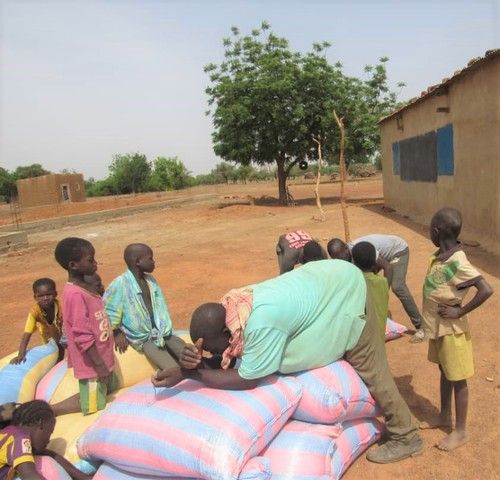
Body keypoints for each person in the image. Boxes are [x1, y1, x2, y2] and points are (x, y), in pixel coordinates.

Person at [152, 259, 423, 463]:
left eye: (214, 349)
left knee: (369, 366)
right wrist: (190, 365)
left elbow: (248, 378)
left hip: (346, 290)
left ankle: (406, 435)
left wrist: (191, 375)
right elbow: (227, 356)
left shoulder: (261, 323)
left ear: (226, 331)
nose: (216, 354)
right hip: (326, 280)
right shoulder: (234, 306)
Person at [419, 208, 493, 451]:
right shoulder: (441, 256)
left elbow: (486, 289)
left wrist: (459, 311)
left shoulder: (458, 261)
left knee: (458, 378)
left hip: (453, 331)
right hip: (439, 328)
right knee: (445, 370)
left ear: (437, 231)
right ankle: (444, 415)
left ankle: (461, 431)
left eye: (430, 229)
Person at [52, 238, 116, 416]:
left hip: (100, 359)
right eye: (90, 260)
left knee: (100, 397)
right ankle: (51, 411)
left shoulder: (87, 287)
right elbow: (82, 335)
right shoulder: (74, 294)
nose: (95, 263)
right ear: (73, 265)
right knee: (94, 407)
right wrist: (100, 365)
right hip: (92, 365)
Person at [328, 234, 425, 343]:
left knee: (398, 286)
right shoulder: (343, 258)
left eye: (341, 255)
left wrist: (383, 292)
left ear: (346, 248)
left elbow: (387, 267)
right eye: (337, 258)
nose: (341, 259)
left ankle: (421, 326)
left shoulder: (360, 250)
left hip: (397, 251)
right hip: (378, 259)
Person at [103, 243, 186, 370]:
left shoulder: (150, 280)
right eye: (150, 258)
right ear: (138, 261)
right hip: (145, 339)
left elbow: (159, 305)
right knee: (172, 368)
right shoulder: (120, 284)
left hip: (162, 332)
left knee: (189, 356)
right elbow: (109, 311)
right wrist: (117, 333)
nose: (153, 262)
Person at [0, 400, 91, 479]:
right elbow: (30, 475)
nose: (48, 441)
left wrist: (85, 478)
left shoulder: (10, 435)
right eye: (50, 432)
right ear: (41, 423)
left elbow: (50, 454)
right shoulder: (19, 437)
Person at [10, 278, 64, 364]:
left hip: (62, 334)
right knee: (53, 356)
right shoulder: (35, 311)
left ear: (55, 294)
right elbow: (27, 333)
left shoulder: (62, 307)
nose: (45, 298)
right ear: (35, 297)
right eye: (41, 296)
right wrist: (21, 353)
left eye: (49, 294)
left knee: (62, 350)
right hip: (47, 337)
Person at [352, 241, 389, 340]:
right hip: (379, 336)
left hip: (363, 340)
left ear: (354, 262)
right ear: (374, 261)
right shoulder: (383, 282)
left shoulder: (355, 283)